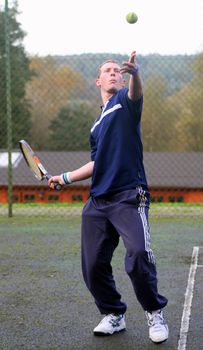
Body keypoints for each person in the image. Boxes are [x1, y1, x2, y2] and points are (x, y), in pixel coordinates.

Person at [48, 51, 169, 344]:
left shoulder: (125, 103)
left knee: (139, 254)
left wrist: (136, 74)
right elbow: (96, 163)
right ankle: (113, 313)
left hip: (129, 196)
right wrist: (64, 178)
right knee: (92, 265)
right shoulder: (95, 125)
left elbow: (136, 92)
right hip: (97, 202)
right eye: (108, 70)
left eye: (118, 70)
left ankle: (154, 312)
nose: (115, 72)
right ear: (98, 80)